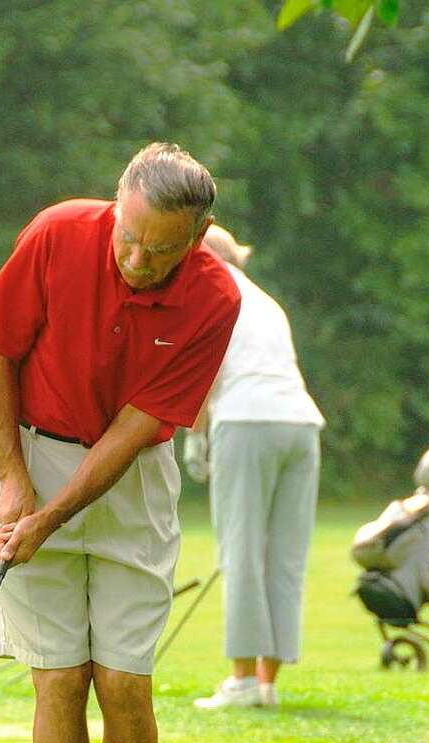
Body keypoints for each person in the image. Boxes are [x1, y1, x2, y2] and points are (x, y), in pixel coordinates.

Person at [0, 143, 240, 743]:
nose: (137, 259)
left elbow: (135, 430)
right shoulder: (55, 233)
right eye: (128, 237)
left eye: (160, 248)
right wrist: (15, 481)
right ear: (117, 202)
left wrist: (54, 516)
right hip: (30, 452)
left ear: (199, 234)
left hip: (131, 475)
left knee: (124, 681)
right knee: (60, 677)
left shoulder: (214, 296)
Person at [185, 225, 324, 710]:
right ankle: (267, 682)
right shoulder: (267, 302)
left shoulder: (208, 293)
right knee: (285, 555)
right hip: (302, 426)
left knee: (241, 549)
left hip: (246, 422)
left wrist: (195, 437)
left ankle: (242, 681)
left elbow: (202, 372)